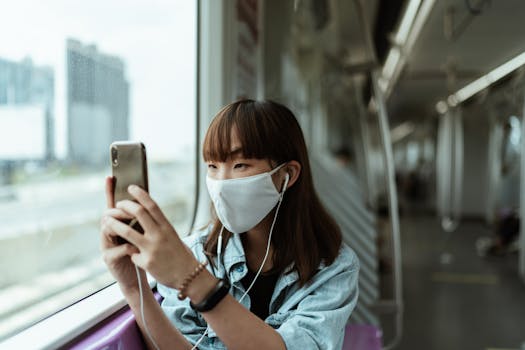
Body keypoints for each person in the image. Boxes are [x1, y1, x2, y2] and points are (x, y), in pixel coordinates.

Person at [100, 99, 359, 349]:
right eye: (212, 166)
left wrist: (193, 279)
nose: (221, 183)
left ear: (286, 175)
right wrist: (134, 287)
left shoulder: (335, 268)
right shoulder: (196, 252)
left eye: (240, 165)